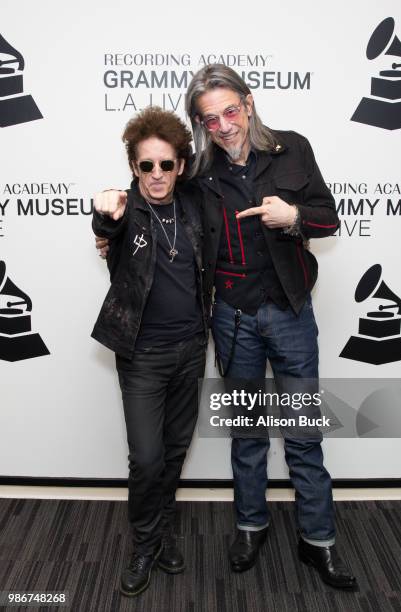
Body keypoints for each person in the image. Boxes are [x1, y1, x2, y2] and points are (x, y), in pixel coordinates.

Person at [95, 64, 357, 590]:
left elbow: (329, 217)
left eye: (230, 111)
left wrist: (296, 218)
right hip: (231, 317)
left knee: (304, 433)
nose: (224, 125)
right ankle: (250, 526)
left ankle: (318, 541)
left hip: (290, 313)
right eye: (209, 119)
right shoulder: (198, 172)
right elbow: (146, 186)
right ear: (200, 125)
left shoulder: (293, 148)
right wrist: (107, 225)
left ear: (249, 102)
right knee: (248, 432)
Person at [91, 106, 207, 597]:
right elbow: (105, 223)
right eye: (146, 166)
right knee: (147, 457)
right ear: (133, 167)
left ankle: (162, 532)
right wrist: (102, 214)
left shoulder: (195, 206)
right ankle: (144, 543)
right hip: (141, 356)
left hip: (192, 350)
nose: (156, 175)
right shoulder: (125, 208)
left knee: (176, 451)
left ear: (180, 165)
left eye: (165, 165)